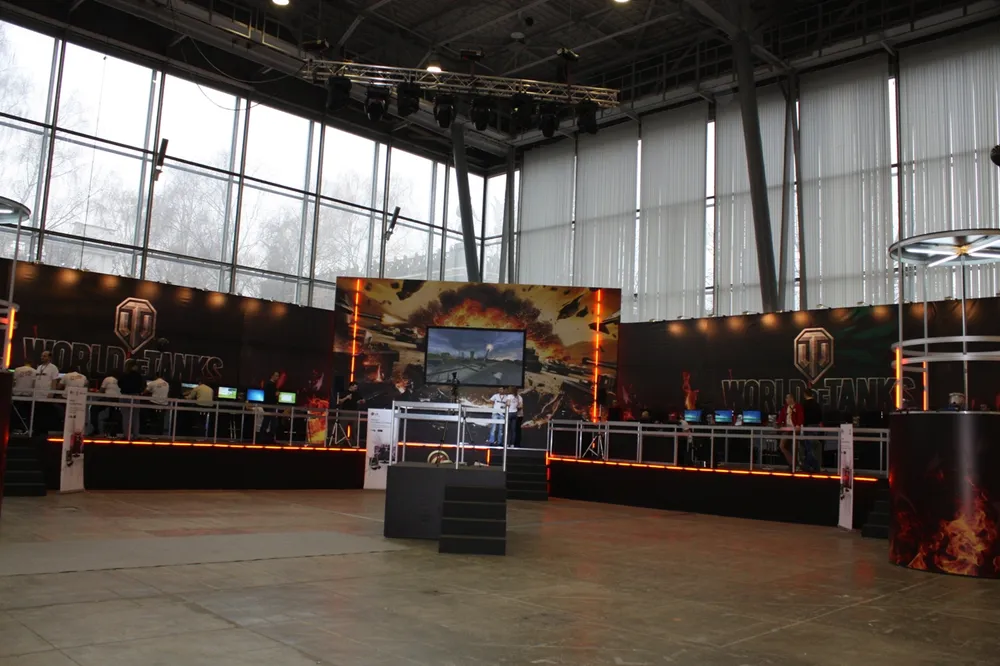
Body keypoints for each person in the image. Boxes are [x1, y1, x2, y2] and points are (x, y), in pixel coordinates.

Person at [33, 351, 60, 433]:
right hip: (37, 395)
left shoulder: (53, 368)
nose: (42, 357)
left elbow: (54, 381)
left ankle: (44, 431)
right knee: (37, 413)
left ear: (49, 358)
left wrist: (51, 393)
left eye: (44, 356)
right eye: (42, 356)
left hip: (46, 395)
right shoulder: (39, 367)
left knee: (45, 413)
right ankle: (36, 430)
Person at [777, 393, 804, 470]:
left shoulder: (798, 406)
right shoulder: (785, 407)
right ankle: (792, 463)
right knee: (782, 446)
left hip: (795, 430)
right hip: (787, 429)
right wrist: (778, 424)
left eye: (787, 398)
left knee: (794, 447)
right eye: (786, 398)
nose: (786, 400)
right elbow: (781, 418)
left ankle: (794, 465)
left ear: (792, 398)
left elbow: (800, 416)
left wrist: (798, 425)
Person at [119, 360, 145, 438]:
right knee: (135, 416)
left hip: (125, 396)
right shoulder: (138, 376)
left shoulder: (124, 375)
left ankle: (126, 435)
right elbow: (142, 385)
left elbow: (119, 384)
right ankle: (135, 434)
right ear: (133, 366)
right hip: (135, 396)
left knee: (126, 416)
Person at [801, 390, 824, 472]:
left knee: (809, 447)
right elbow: (820, 416)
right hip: (816, 426)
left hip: (807, 427)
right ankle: (814, 466)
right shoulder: (816, 404)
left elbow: (802, 417)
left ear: (805, 395)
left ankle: (810, 466)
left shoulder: (804, 405)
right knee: (813, 446)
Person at [145, 371, 171, 435]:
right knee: (161, 420)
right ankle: (160, 435)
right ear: (163, 376)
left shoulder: (153, 383)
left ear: (155, 376)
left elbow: (145, 392)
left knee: (153, 420)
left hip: (154, 403)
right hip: (164, 405)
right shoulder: (167, 384)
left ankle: (152, 434)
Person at [259, 371, 280, 441]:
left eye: (278, 376)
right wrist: (275, 394)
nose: (277, 377)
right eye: (276, 375)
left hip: (271, 406)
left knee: (269, 422)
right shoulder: (269, 385)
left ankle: (266, 437)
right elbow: (269, 396)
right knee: (270, 422)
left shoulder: (272, 384)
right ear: (272, 376)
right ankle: (265, 437)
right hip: (270, 406)